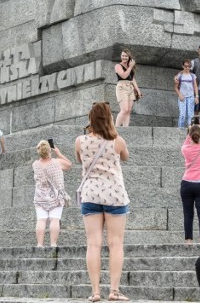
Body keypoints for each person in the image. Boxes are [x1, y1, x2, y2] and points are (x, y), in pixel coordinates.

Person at [75, 102, 131, 302]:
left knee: (93, 244)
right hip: (115, 195)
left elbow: (79, 160)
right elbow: (125, 157)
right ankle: (114, 291)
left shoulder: (80, 141)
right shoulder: (117, 141)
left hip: (91, 195)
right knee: (115, 244)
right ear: (108, 118)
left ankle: (95, 291)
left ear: (90, 118)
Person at [32, 140, 72, 247]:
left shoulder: (35, 164)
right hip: (56, 196)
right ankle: (53, 244)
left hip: (40, 196)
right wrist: (58, 154)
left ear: (38, 150)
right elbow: (69, 165)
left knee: (41, 220)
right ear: (50, 150)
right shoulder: (57, 162)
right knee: (55, 219)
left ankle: (39, 244)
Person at [181, 120, 200, 244]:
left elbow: (186, 142)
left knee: (188, 213)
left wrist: (191, 131)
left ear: (190, 135)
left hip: (187, 183)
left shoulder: (185, 148)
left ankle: (188, 239)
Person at [115, 48, 142, 127]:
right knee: (124, 109)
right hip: (122, 87)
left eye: (126, 56)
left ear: (129, 57)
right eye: (123, 55)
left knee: (129, 110)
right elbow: (124, 75)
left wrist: (138, 90)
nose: (124, 57)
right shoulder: (118, 66)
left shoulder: (130, 66)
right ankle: (116, 127)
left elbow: (132, 79)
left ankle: (126, 128)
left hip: (130, 87)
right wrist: (130, 67)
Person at [175, 58, 199, 128]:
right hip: (182, 97)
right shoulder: (180, 76)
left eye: (189, 66)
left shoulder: (192, 76)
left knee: (190, 115)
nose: (187, 68)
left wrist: (196, 96)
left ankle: (190, 129)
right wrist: (179, 94)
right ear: (183, 66)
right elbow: (176, 87)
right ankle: (180, 129)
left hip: (191, 97)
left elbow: (195, 86)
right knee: (182, 115)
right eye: (185, 66)